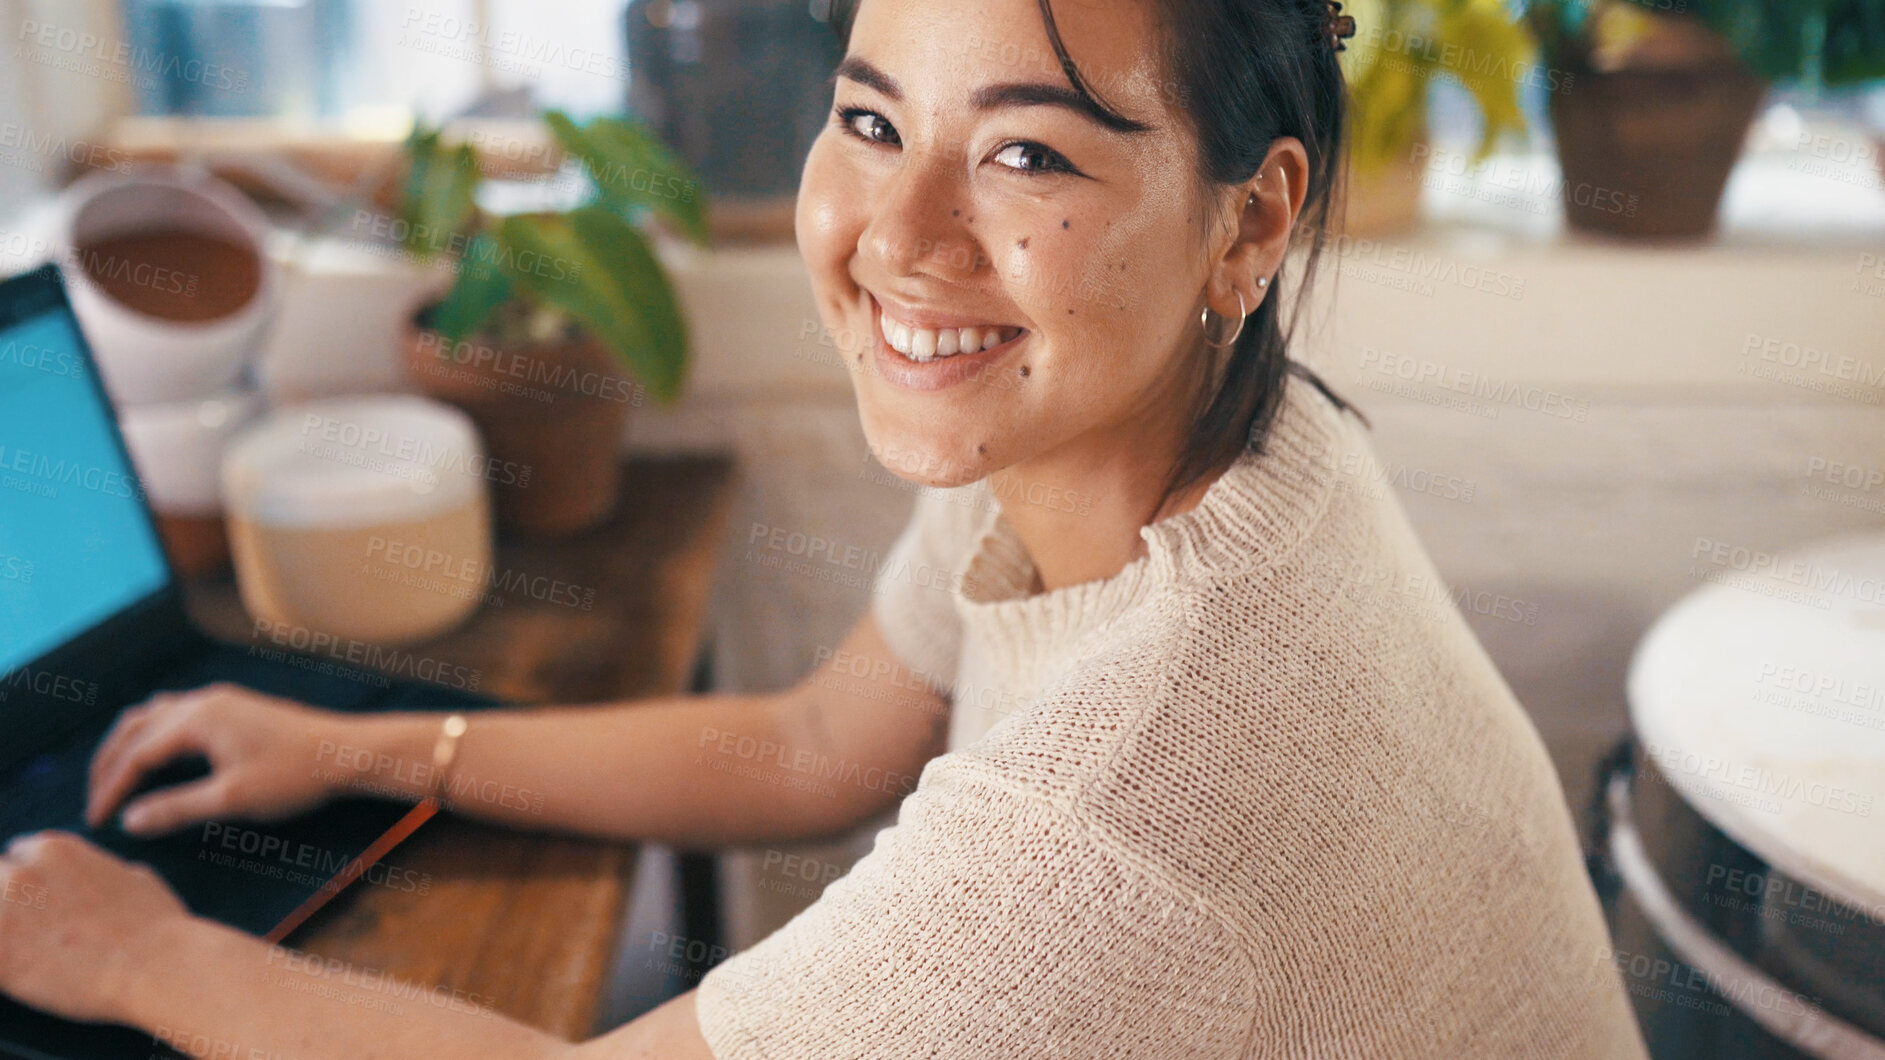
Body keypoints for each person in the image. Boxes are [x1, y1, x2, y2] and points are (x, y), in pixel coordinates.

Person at [0, 0, 1652, 1055]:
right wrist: (359, 749)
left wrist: (147, 958)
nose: (898, 237)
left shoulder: (1118, 817)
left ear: (1253, 219)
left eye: (1024, 154)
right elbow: (810, 746)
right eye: (870, 121)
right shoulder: (1200, 440)